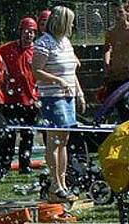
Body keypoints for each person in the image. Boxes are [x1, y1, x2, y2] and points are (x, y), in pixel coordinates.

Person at [32, 5, 85, 202]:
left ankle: (62, 183)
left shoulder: (66, 42)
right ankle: (55, 185)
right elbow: (36, 70)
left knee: (64, 141)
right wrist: (58, 81)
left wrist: (79, 92)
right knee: (54, 141)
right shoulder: (43, 43)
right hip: (53, 98)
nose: (72, 25)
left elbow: (72, 71)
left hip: (69, 96)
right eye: (70, 21)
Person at [0, 17, 40, 174]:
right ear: (20, 32)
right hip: (11, 100)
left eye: (32, 32)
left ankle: (25, 165)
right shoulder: (7, 49)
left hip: (31, 101)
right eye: (26, 31)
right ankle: (5, 165)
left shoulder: (37, 51)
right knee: (9, 134)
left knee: (28, 134)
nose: (29, 35)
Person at [104, 2, 129, 122]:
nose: (117, 15)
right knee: (111, 105)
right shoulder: (111, 32)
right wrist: (107, 64)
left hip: (127, 76)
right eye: (114, 12)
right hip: (115, 75)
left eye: (120, 12)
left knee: (125, 103)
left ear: (126, 12)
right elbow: (107, 49)